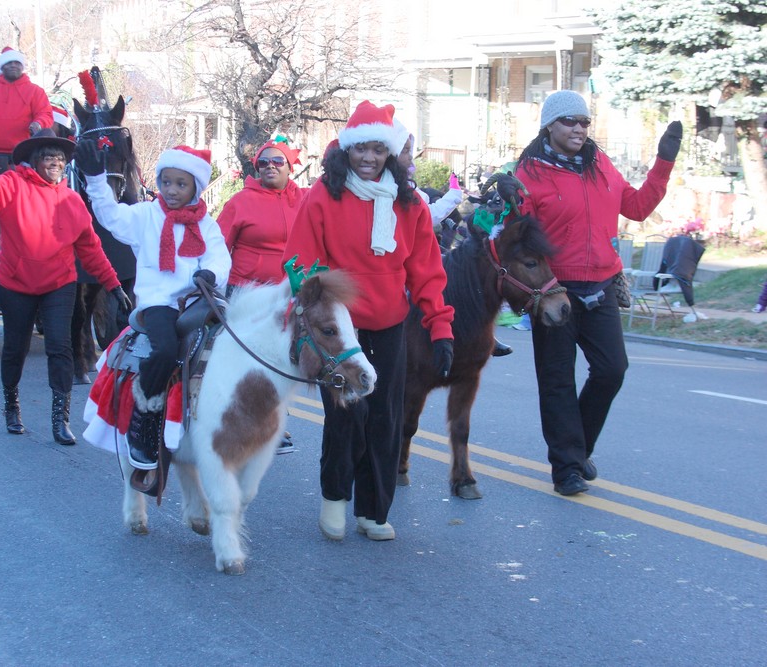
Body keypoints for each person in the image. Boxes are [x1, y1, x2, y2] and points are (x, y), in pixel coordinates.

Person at [283, 100, 454, 542]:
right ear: (347, 151)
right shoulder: (323, 196)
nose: (370, 158)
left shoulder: (409, 203)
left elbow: (426, 271)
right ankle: (335, 501)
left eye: (379, 150)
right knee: (345, 415)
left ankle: (373, 511)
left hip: (390, 326)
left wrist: (439, 326)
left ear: (390, 154)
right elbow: (301, 261)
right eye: (362, 150)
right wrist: (314, 310)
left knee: (385, 417)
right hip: (338, 333)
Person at [499, 90, 680, 496]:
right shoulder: (529, 174)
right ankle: (566, 469)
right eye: (570, 121)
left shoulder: (602, 164)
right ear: (550, 125)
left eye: (584, 121)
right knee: (558, 380)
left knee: (612, 369)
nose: (579, 128)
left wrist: (663, 164)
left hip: (600, 285)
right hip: (554, 291)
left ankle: (577, 451)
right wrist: (507, 207)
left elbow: (635, 208)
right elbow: (516, 239)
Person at [0, 122, 131, 445]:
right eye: (47, 156)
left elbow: (92, 251)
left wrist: (114, 286)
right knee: (15, 348)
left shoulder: (73, 203)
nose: (55, 162)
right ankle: (11, 406)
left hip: (59, 284)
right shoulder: (12, 186)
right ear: (34, 160)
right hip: (16, 282)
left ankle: (60, 419)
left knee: (60, 347)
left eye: (60, 158)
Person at [75, 140, 231, 470]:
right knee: (163, 351)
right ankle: (144, 416)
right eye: (166, 182)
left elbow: (220, 258)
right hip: (161, 304)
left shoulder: (206, 224)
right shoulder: (146, 216)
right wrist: (95, 179)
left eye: (181, 183)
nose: (171, 190)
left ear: (196, 188)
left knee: (236, 344)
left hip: (199, 300)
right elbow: (110, 216)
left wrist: (211, 272)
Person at [393, 119, 511, 359]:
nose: (409, 156)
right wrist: (454, 194)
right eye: (403, 150)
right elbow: (431, 215)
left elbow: (428, 215)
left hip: (422, 254)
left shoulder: (411, 191)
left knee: (463, 275)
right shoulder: (388, 190)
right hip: (398, 264)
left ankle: (481, 335)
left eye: (409, 150)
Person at [216, 136, 304, 454]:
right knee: (254, 358)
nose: (269, 167)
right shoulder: (240, 202)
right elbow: (219, 244)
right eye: (263, 162)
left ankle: (272, 419)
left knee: (282, 358)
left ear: (290, 167)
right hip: (246, 291)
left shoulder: (304, 200)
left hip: (286, 292)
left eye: (277, 161)